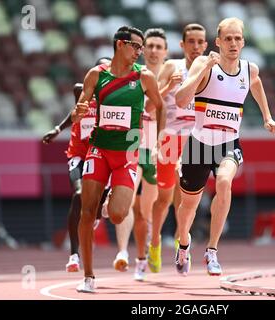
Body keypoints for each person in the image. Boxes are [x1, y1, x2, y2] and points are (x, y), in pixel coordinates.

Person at [174, 17, 275, 276]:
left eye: (238, 38)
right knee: (189, 205)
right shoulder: (203, 63)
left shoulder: (249, 69)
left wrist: (267, 115)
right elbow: (180, 100)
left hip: (228, 142)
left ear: (243, 41)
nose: (233, 43)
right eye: (228, 38)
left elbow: (256, 85)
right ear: (218, 42)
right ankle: (184, 243)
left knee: (224, 182)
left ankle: (212, 251)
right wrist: (203, 69)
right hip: (199, 143)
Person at [72, 26, 163, 293]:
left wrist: (158, 140)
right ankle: (88, 277)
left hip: (127, 154)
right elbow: (80, 109)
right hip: (98, 150)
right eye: (136, 46)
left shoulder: (144, 77)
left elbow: (160, 106)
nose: (140, 52)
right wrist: (77, 112)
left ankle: (110, 196)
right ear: (120, 45)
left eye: (142, 47)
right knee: (86, 213)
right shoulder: (96, 75)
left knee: (118, 213)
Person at [147, 23, 208, 274]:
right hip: (170, 138)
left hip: (196, 140)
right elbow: (153, 106)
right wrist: (158, 137)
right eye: (190, 42)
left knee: (186, 199)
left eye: (200, 42)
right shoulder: (172, 67)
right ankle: (154, 243)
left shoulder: (210, 69)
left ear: (206, 45)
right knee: (164, 198)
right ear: (182, 45)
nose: (195, 47)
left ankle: (181, 244)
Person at [109, 28, 169, 281]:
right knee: (128, 198)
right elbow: (148, 104)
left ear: (166, 51)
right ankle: (126, 253)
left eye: (159, 46)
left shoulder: (176, 72)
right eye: (150, 46)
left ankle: (151, 245)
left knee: (152, 209)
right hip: (135, 142)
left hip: (164, 143)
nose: (154, 50)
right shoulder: (135, 74)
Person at [41, 58, 109, 273]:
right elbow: (75, 113)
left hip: (102, 154)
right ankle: (74, 255)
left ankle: (97, 213)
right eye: (101, 69)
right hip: (79, 153)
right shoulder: (81, 89)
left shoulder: (117, 96)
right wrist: (57, 129)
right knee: (79, 194)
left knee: (96, 205)